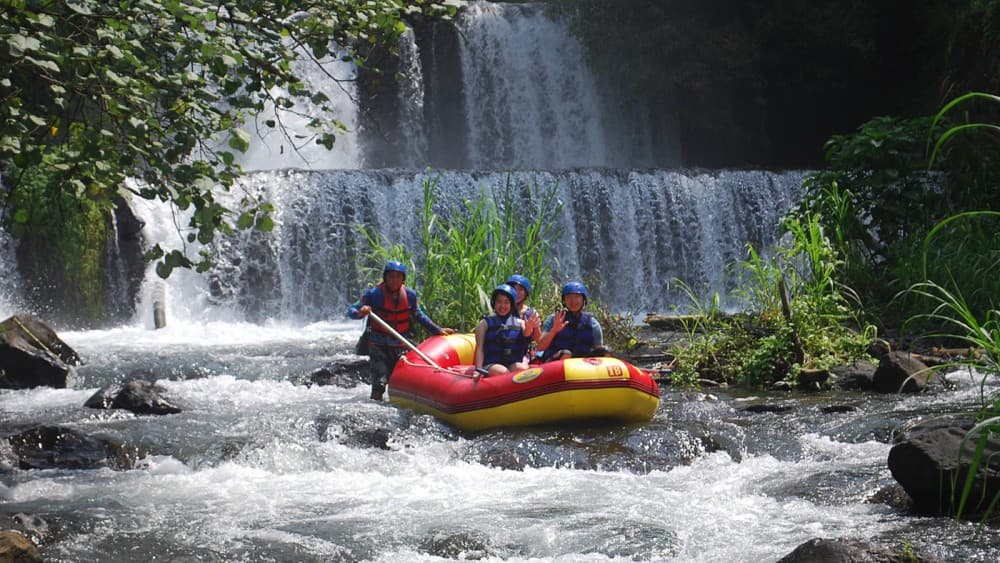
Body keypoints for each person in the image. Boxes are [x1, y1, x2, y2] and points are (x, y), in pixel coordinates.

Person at [347, 260, 454, 401]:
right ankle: (376, 403)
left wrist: (437, 330)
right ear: (385, 278)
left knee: (406, 378)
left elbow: (419, 315)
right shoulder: (374, 294)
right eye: (391, 277)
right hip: (378, 345)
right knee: (380, 382)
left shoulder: (410, 295)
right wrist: (360, 312)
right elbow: (351, 310)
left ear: (403, 279)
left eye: (398, 277)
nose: (394, 280)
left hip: (400, 343)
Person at [536, 281, 607, 362]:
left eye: (577, 297)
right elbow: (540, 347)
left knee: (605, 351)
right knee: (566, 354)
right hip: (555, 363)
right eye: (569, 297)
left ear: (583, 300)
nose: (573, 301)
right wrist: (554, 330)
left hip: (582, 365)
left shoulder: (593, 324)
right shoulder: (554, 319)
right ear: (564, 301)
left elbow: (599, 352)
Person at [474, 284, 530, 376]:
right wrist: (478, 369)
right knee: (502, 372)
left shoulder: (521, 323)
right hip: (491, 365)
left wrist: (530, 327)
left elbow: (527, 336)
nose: (502, 305)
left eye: (506, 302)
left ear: (511, 304)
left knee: (521, 369)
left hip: (511, 363)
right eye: (499, 302)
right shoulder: (484, 324)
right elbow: (480, 349)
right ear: (494, 303)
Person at [505, 273, 541, 352]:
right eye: (513, 288)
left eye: (520, 289)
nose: (516, 292)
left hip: (522, 354)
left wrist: (534, 327)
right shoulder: (502, 310)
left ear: (526, 293)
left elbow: (538, 341)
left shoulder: (532, 314)